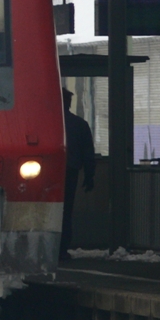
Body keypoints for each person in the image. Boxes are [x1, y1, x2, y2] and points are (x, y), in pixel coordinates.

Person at [60, 88, 95, 260]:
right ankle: (62, 248)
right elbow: (88, 153)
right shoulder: (80, 124)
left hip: (44, 173)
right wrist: (89, 176)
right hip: (70, 171)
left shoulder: (42, 123)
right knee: (66, 211)